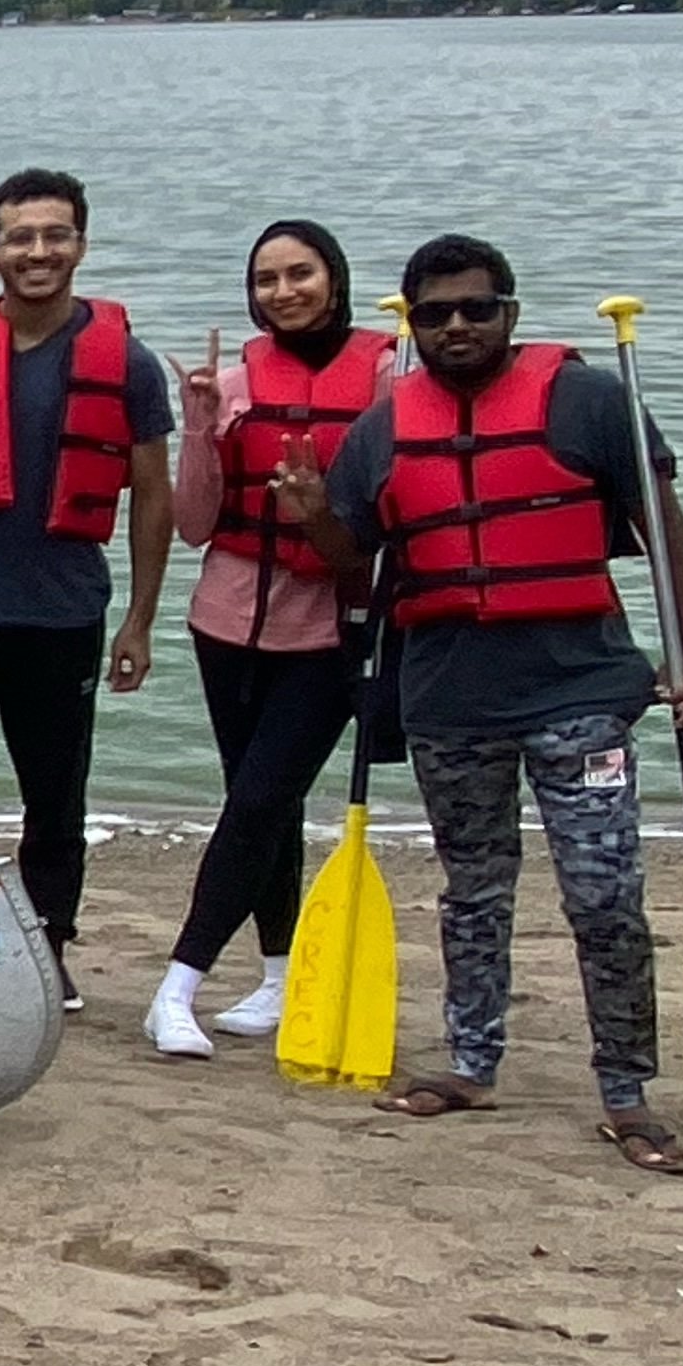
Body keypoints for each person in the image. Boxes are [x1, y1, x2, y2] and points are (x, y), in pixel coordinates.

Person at [285, 234, 683, 1175]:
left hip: (583, 690)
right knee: (474, 896)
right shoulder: (386, 427)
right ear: (413, 321)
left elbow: (661, 522)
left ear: (509, 313)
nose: (457, 327)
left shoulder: (588, 399)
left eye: (477, 308)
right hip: (450, 703)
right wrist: (314, 511)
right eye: (435, 314)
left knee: (606, 898)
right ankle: (473, 1063)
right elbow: (352, 562)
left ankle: (626, 1088)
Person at [0, 168, 175, 1012]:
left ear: (81, 244)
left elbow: (153, 493)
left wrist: (141, 620)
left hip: (61, 613)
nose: (38, 251)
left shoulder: (127, 362)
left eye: (55, 235)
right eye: (21, 237)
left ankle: (49, 947)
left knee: (56, 800)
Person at [144, 220, 396, 1056]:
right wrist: (200, 428)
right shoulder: (236, 380)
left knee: (257, 800)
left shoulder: (391, 374)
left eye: (301, 274)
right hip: (225, 622)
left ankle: (178, 983)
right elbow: (192, 525)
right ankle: (282, 977)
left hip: (330, 628)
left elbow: (399, 508)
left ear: (335, 277)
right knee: (267, 810)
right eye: (267, 280)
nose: (284, 292)